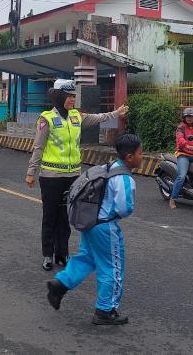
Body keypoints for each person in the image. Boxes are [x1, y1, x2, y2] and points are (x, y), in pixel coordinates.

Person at [26, 79, 129, 271]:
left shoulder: (76, 116)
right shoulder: (46, 119)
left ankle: (62, 253)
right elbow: (38, 147)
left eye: (74, 96)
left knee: (66, 217)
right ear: (59, 96)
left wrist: (116, 113)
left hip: (73, 176)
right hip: (50, 176)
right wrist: (31, 171)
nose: (72, 99)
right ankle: (47, 254)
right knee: (50, 216)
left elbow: (99, 118)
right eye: (69, 96)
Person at [46, 134, 142, 325]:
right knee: (112, 268)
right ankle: (105, 310)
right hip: (106, 227)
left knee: (87, 257)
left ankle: (60, 284)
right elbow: (124, 208)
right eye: (141, 153)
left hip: (90, 222)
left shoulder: (110, 167)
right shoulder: (124, 177)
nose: (143, 156)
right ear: (130, 157)